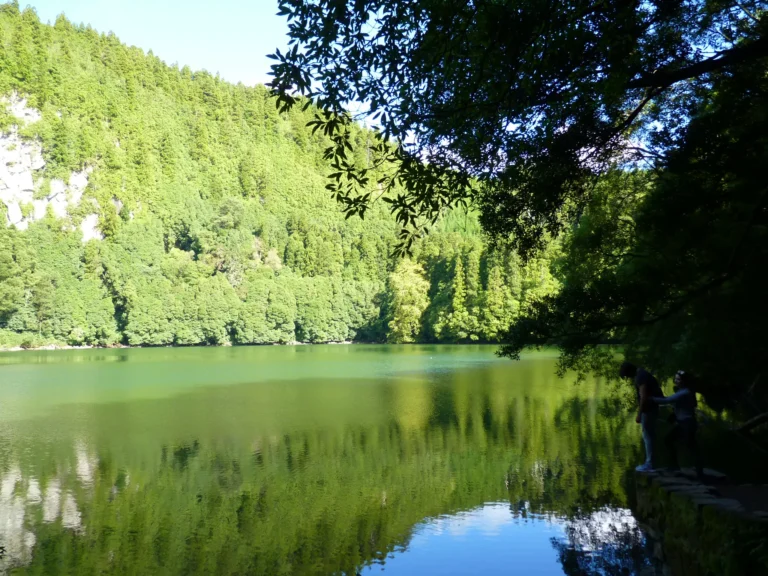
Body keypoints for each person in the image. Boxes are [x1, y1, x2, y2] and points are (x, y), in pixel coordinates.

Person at [654, 370, 703, 478]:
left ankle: (700, 472)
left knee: (691, 446)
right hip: (683, 423)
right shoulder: (685, 391)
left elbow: (667, 400)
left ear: (684, 381)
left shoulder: (685, 392)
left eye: (678, 379)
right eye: (675, 379)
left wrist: (650, 399)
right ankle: (675, 466)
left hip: (687, 423)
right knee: (668, 440)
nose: (676, 381)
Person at [620, 361, 663, 472]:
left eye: (627, 375)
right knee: (651, 436)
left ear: (630, 371)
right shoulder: (643, 374)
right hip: (653, 408)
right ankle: (653, 463)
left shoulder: (640, 377)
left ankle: (649, 464)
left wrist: (639, 414)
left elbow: (644, 397)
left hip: (649, 410)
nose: (628, 378)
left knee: (648, 436)